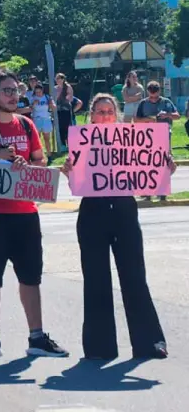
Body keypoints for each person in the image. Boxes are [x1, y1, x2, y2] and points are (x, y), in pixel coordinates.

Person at [0, 69, 68, 361]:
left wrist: (27, 165)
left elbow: (40, 161)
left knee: (31, 277)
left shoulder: (28, 125)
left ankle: (37, 336)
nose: (14, 95)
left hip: (25, 213)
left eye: (16, 90)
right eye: (7, 91)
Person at [61, 94, 169, 360]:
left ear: (117, 114)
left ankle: (149, 342)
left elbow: (150, 174)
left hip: (124, 212)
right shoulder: (82, 141)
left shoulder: (132, 141)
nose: (105, 115)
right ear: (91, 114)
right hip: (92, 214)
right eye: (100, 111)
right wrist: (69, 171)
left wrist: (164, 168)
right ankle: (100, 347)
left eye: (110, 111)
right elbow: (77, 182)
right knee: (96, 280)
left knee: (134, 276)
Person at [134, 81, 180, 202]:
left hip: (164, 135)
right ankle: (148, 192)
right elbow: (136, 119)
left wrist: (168, 115)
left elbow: (177, 116)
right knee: (148, 164)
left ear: (159, 91)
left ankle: (162, 192)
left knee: (165, 163)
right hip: (147, 137)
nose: (153, 98)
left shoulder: (166, 102)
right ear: (148, 92)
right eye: (151, 95)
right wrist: (148, 119)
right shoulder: (143, 103)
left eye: (156, 95)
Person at [29, 84, 56, 153]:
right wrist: (33, 104)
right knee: (37, 139)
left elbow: (54, 107)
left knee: (47, 138)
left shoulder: (47, 97)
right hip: (36, 119)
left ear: (42, 90)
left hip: (46, 119)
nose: (38, 94)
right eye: (36, 92)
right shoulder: (32, 97)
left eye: (39, 92)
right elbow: (29, 109)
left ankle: (49, 155)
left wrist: (51, 104)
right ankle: (38, 155)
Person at [53, 73, 75, 149]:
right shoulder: (55, 88)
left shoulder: (68, 87)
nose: (58, 80)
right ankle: (62, 145)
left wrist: (67, 96)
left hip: (66, 109)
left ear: (63, 79)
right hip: (58, 110)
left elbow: (71, 98)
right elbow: (54, 99)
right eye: (57, 78)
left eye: (60, 78)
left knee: (67, 127)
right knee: (60, 127)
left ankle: (70, 144)